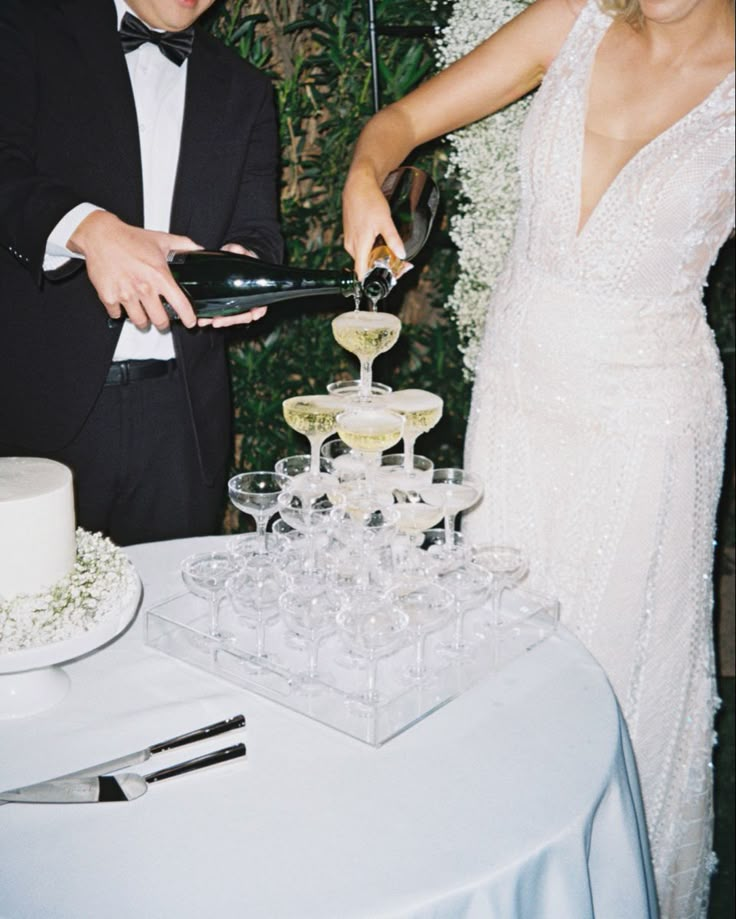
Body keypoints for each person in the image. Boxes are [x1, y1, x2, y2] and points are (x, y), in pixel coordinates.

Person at [341, 0, 735, 915]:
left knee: (610, 689)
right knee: (499, 676)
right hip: (516, 400)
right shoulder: (575, 19)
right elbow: (401, 124)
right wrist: (368, 174)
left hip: (646, 421)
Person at [0, 0, 283, 545]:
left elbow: (259, 228)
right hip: (35, 407)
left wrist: (243, 264)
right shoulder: (25, 28)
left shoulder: (246, 89)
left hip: (181, 424)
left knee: (172, 615)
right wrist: (90, 229)